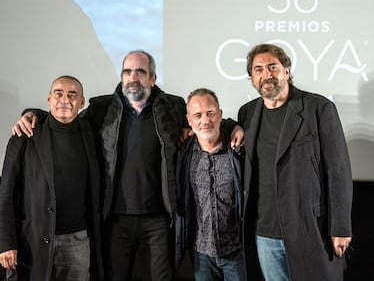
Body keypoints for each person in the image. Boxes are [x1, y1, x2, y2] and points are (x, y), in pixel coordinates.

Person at [12, 50, 243, 281]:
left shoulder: (172, 106)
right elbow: (64, 117)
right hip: (115, 220)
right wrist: (32, 114)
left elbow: (205, 120)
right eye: (127, 71)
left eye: (140, 72)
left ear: (153, 78)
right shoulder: (102, 108)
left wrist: (233, 126)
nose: (133, 77)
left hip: (158, 221)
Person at [238, 44, 353, 281]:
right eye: (258, 70)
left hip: (310, 229)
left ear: (286, 71)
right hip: (264, 233)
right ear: (252, 78)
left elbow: (338, 170)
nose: (266, 75)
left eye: (273, 67)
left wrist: (340, 227)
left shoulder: (318, 108)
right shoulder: (247, 114)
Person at [0, 76, 103, 280]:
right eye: (58, 93)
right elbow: (5, 193)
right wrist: (6, 242)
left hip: (78, 241)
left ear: (81, 103)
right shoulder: (25, 135)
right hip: (33, 240)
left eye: (72, 95)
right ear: (49, 99)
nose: (64, 99)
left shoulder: (91, 135)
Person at [175, 88, 246, 281]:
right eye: (198, 115)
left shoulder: (239, 152)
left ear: (220, 115)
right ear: (189, 120)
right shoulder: (183, 154)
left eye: (210, 113)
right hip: (201, 255)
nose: (205, 120)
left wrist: (237, 127)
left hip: (237, 253)